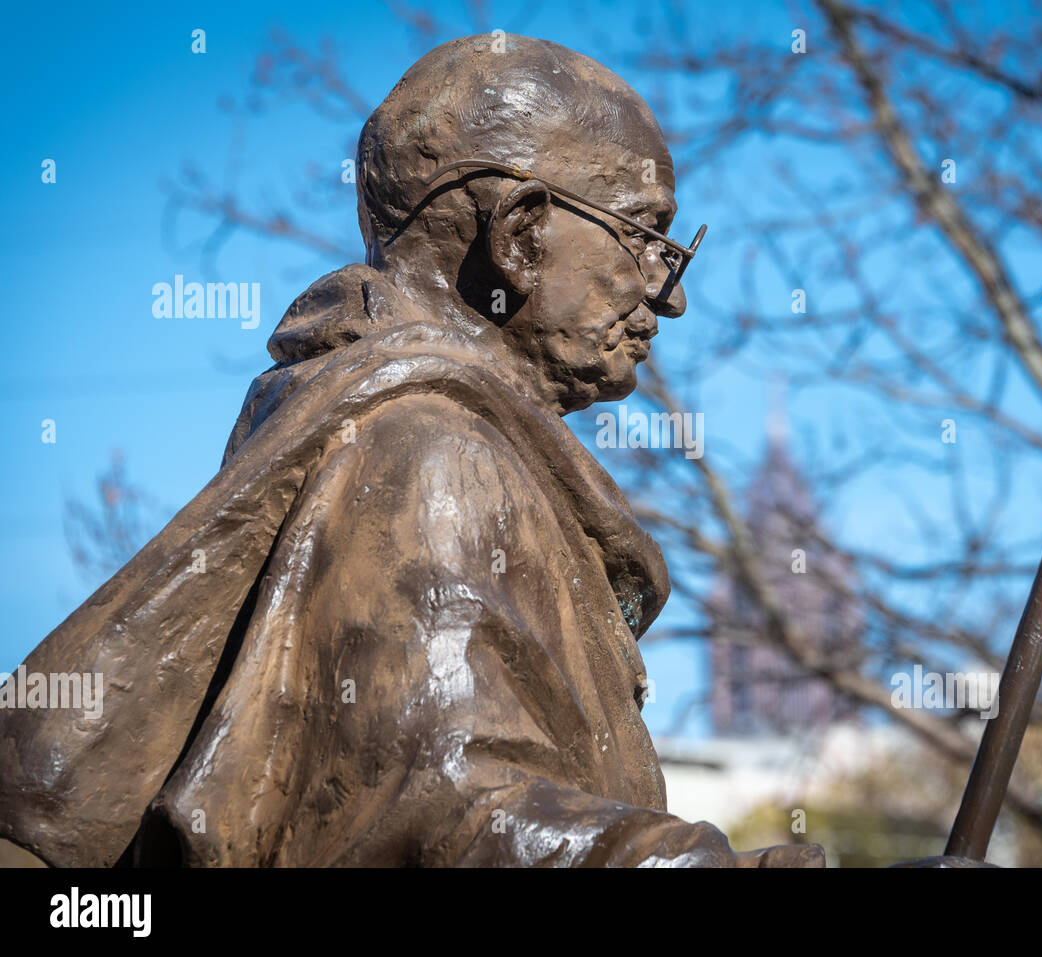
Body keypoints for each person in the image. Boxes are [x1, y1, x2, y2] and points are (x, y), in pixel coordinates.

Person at [0, 33, 822, 868]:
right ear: (522, 237)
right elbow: (446, 809)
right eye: (647, 238)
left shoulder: (401, 433)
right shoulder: (431, 451)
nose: (669, 294)